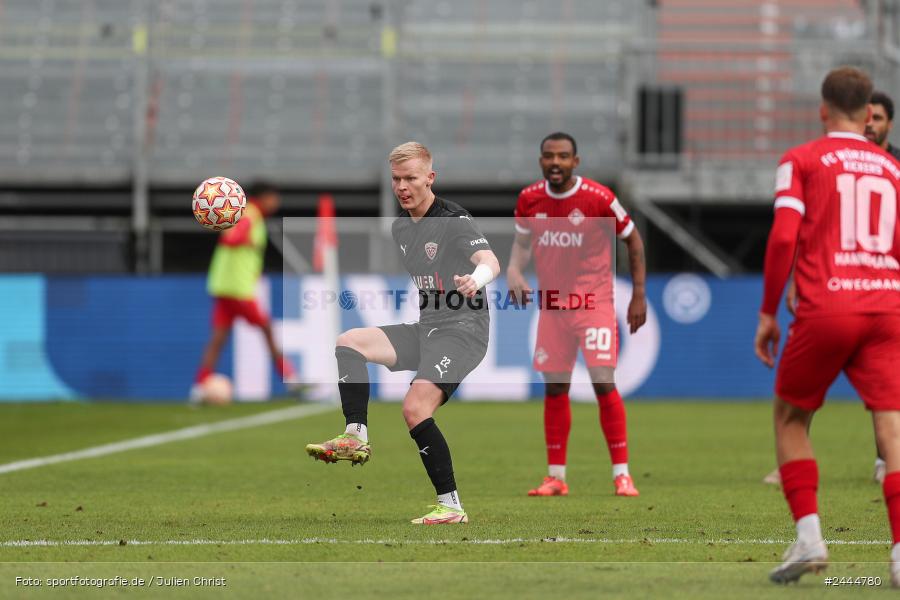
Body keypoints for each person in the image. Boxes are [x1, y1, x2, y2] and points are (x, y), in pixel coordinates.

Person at [755, 66, 900, 585]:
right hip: (887, 307)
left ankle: (811, 539)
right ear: (868, 114)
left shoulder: (800, 160)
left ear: (822, 109)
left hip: (828, 304)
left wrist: (769, 311)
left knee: (791, 418)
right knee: (891, 425)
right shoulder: (891, 167)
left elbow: (781, 238)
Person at [305, 142, 500, 525]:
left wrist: (475, 280)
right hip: (429, 328)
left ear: (431, 178)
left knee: (414, 408)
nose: (402, 186)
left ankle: (451, 507)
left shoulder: (454, 221)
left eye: (411, 178)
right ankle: (355, 435)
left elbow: (489, 260)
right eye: (396, 179)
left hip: (463, 332)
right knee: (349, 342)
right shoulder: (401, 226)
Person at [506, 132, 647, 498]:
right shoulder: (529, 199)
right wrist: (514, 271)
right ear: (541, 161)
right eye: (549, 156)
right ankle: (556, 477)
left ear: (575, 161)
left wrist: (638, 296)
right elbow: (522, 244)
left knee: (603, 383)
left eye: (563, 156)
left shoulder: (599, 199)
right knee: (555, 388)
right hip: (553, 308)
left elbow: (633, 239)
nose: (556, 162)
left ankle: (622, 475)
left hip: (593, 304)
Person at [192, 182, 297, 399]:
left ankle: (199, 387)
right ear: (264, 197)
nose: (276, 202)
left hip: (225, 285)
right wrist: (237, 235)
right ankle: (291, 378)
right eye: (273, 197)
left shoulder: (245, 214)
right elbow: (232, 237)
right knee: (266, 327)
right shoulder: (249, 214)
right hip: (236, 288)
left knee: (218, 338)